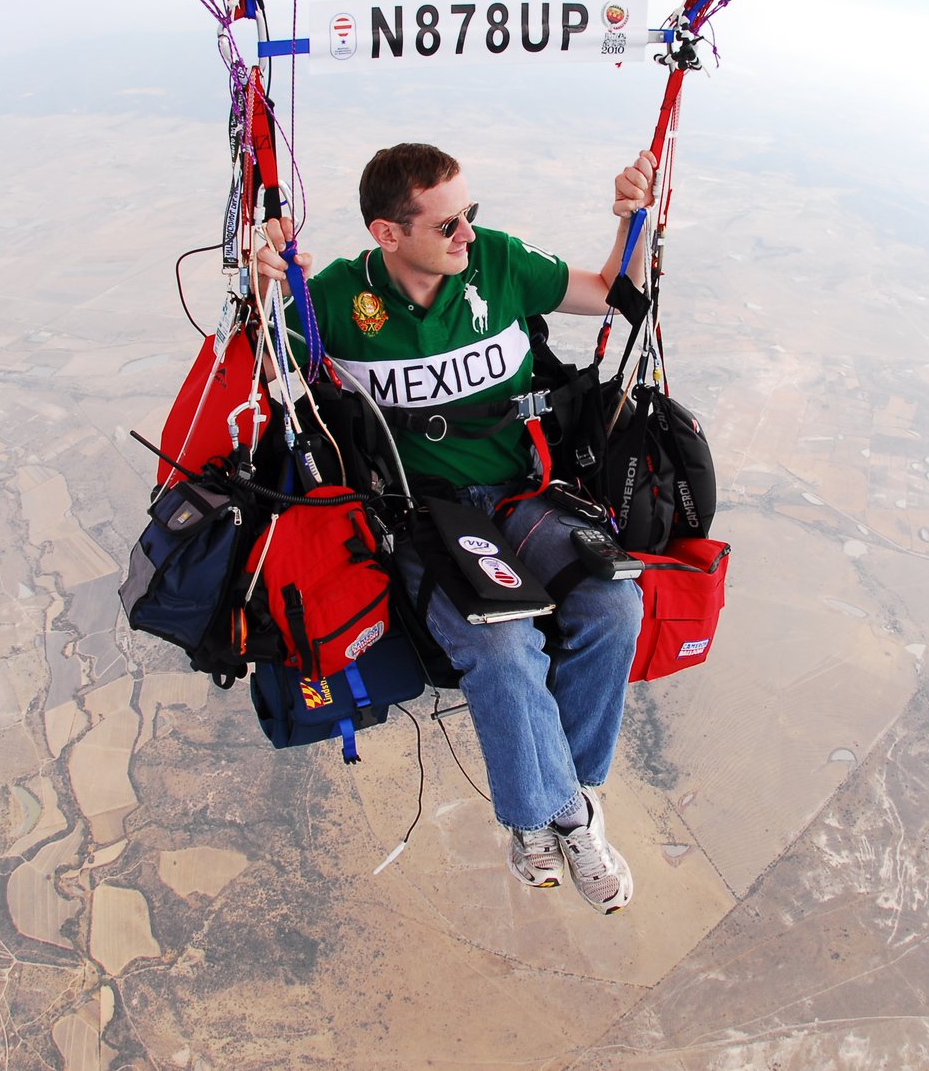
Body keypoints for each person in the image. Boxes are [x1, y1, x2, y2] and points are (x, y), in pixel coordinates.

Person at [255, 141, 653, 914]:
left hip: (522, 494)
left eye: (469, 214)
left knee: (615, 604)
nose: (467, 233)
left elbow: (612, 293)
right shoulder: (337, 298)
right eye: (447, 225)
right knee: (498, 642)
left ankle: (571, 798)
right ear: (388, 233)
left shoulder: (497, 263)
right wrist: (269, 286)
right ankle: (546, 818)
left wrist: (629, 223)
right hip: (426, 516)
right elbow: (265, 368)